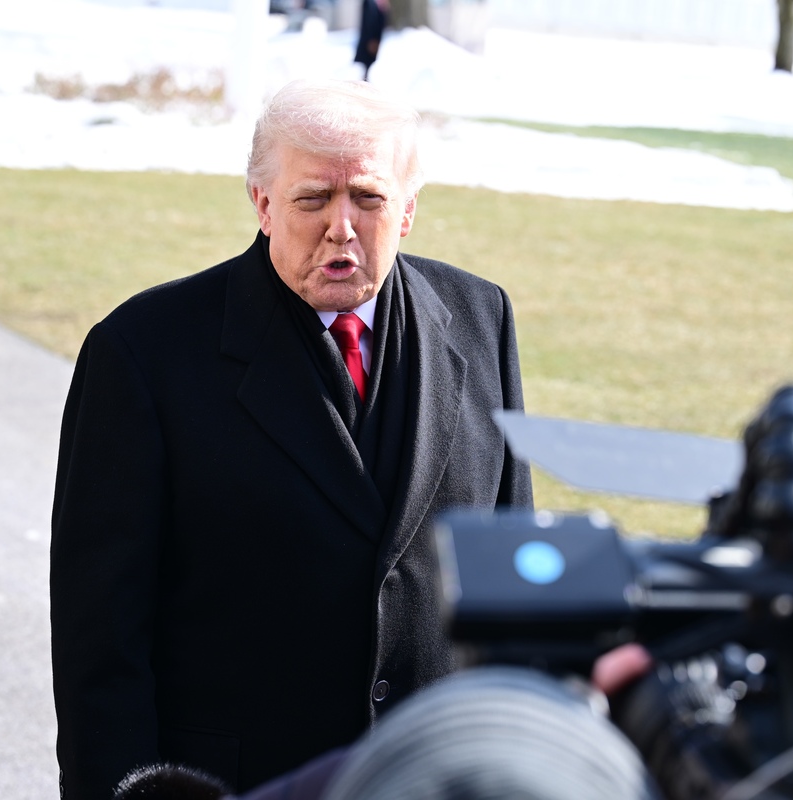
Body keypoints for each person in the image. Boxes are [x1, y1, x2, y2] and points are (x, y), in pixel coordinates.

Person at [50, 77, 533, 800]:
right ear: (263, 203)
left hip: (435, 780)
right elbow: (101, 644)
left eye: (368, 198)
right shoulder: (143, 353)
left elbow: (512, 582)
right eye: (313, 199)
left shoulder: (481, 317)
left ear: (407, 211)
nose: (341, 227)